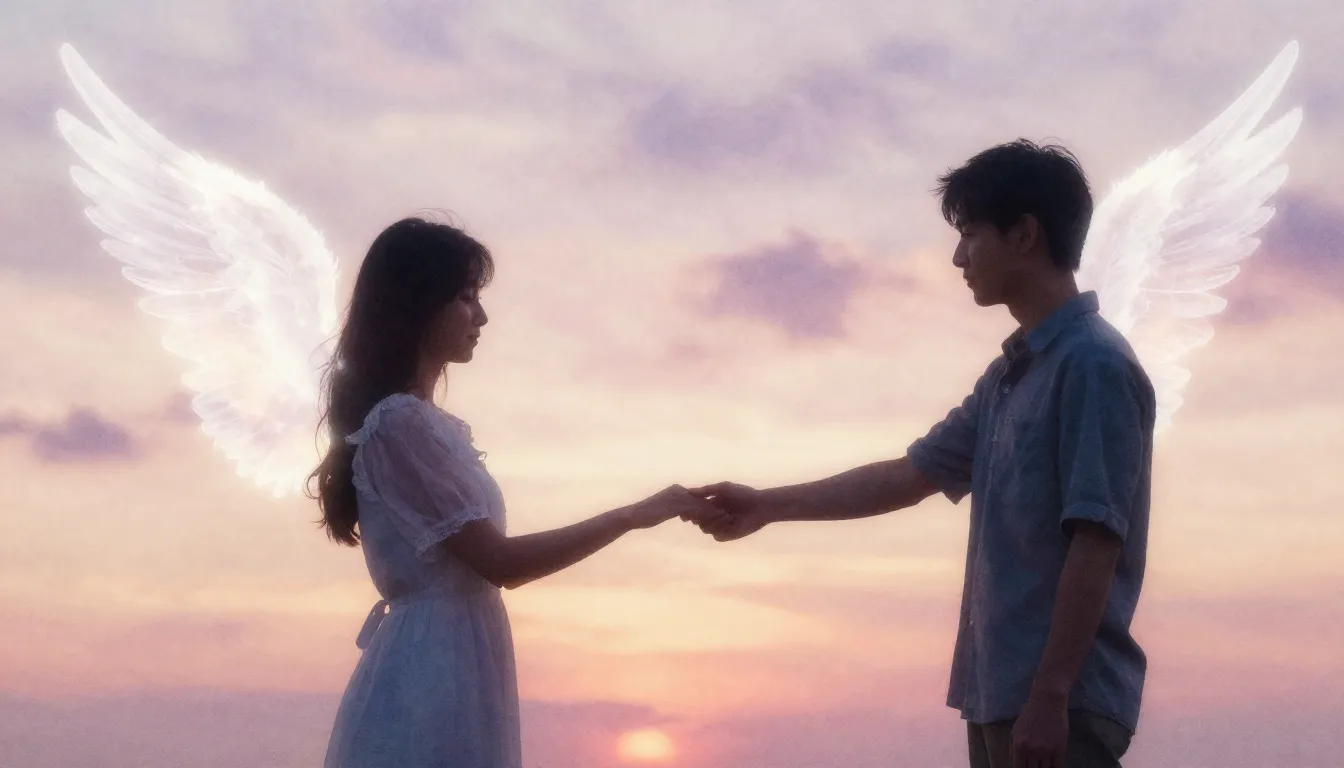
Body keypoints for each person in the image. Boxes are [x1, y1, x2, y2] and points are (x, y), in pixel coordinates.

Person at [691, 140, 1155, 768]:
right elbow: (909, 475)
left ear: (1024, 234)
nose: (958, 257)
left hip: (1057, 706)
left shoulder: (1093, 364)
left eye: (970, 234)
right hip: (1000, 696)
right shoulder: (1008, 377)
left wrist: (1051, 696)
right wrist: (766, 506)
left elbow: (1097, 538)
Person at [307, 217, 718, 768]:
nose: (481, 317)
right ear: (417, 304)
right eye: (465, 298)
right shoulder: (399, 424)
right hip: (432, 670)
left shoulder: (422, 424)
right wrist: (635, 514)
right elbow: (501, 562)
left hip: (453, 654)